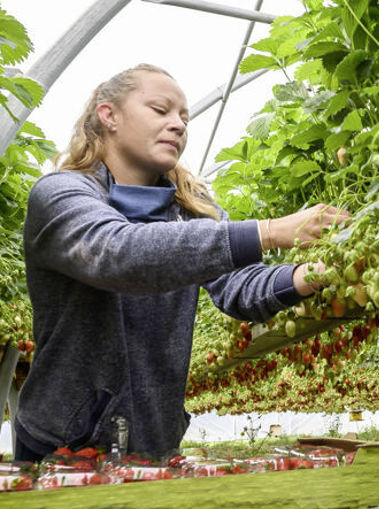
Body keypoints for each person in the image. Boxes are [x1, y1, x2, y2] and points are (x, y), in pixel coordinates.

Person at [12, 63, 347, 462]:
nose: (178, 125)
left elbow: (238, 289)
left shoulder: (193, 213)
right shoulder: (60, 195)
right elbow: (118, 255)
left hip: (152, 441)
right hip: (61, 445)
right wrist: (268, 231)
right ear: (109, 115)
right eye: (161, 110)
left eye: (184, 118)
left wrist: (310, 275)